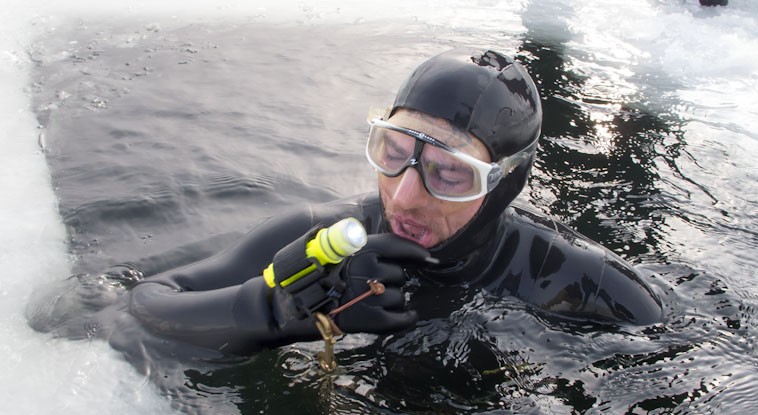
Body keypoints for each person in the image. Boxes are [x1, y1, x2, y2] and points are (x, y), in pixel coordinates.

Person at [129, 47, 662, 356]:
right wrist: (277, 310)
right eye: (394, 152)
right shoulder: (324, 236)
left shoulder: (579, 284)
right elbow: (141, 306)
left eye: (450, 173)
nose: (404, 197)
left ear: (502, 183)